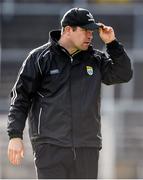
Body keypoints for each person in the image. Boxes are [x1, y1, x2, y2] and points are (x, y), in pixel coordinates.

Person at [7, 7, 133, 179]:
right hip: (50, 147)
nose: (90, 35)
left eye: (92, 31)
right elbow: (20, 98)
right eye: (85, 30)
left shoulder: (96, 59)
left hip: (87, 147)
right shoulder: (39, 58)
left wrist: (112, 44)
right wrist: (15, 135)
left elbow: (124, 74)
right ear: (67, 30)